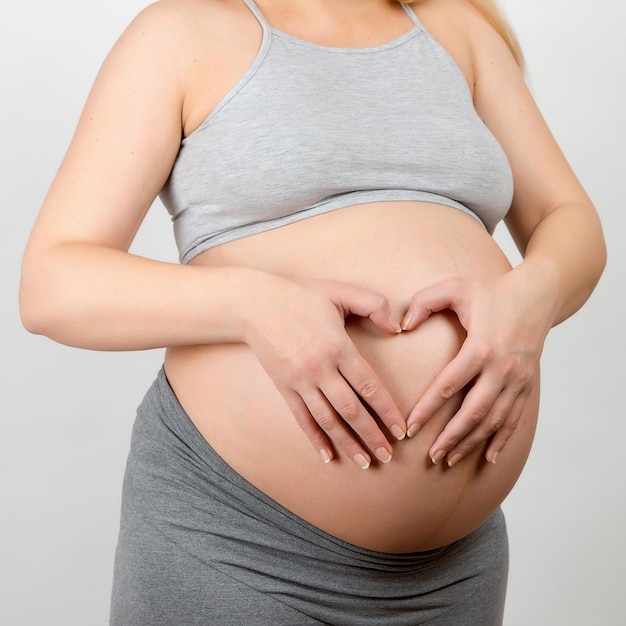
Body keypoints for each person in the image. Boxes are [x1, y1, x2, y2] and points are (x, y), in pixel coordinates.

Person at [19, 0, 606, 623]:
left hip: (456, 570)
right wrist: (253, 304)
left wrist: (530, 299)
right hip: (239, 543)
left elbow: (565, 217)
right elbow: (53, 284)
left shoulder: (456, 31)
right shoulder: (182, 33)